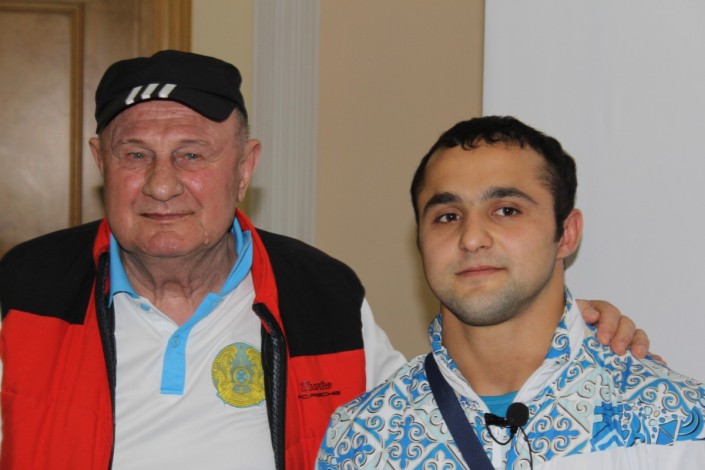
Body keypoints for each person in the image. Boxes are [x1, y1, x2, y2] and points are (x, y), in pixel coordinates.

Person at [0, 52, 645, 470]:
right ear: (100, 162)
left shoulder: (322, 295)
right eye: (135, 154)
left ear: (245, 167)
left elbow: (430, 412)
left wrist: (555, 323)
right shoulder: (23, 289)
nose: (162, 184)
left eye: (192, 155)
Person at [316, 116, 705, 469]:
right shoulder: (361, 438)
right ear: (420, 242)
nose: (471, 238)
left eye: (506, 210)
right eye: (447, 217)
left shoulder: (672, 419)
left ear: (566, 234)